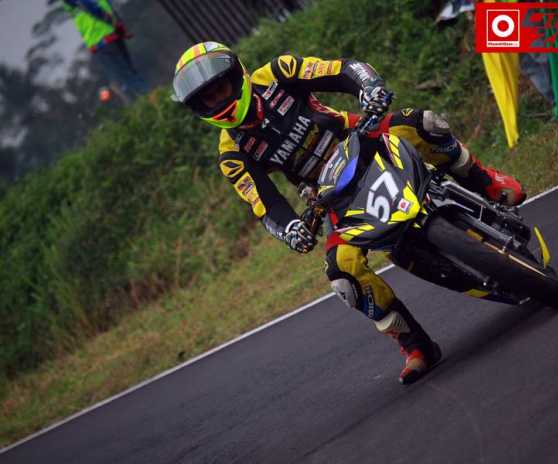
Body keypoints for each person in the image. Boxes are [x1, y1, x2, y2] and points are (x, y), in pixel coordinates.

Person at [171, 41, 526, 384]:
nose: (219, 101)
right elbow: (266, 205)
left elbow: (343, 69)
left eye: (221, 89)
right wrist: (290, 229)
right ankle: (415, 345)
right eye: (208, 99)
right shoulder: (231, 154)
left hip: (362, 138)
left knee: (426, 125)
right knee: (343, 275)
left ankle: (488, 182)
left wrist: (370, 88)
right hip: (329, 194)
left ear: (237, 74)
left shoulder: (277, 72)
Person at [62, 0, 148, 102]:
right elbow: (106, 8)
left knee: (124, 76)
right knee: (129, 73)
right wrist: (118, 25)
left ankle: (148, 100)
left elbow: (90, 6)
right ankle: (149, 98)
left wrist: (112, 22)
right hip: (111, 34)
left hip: (100, 39)